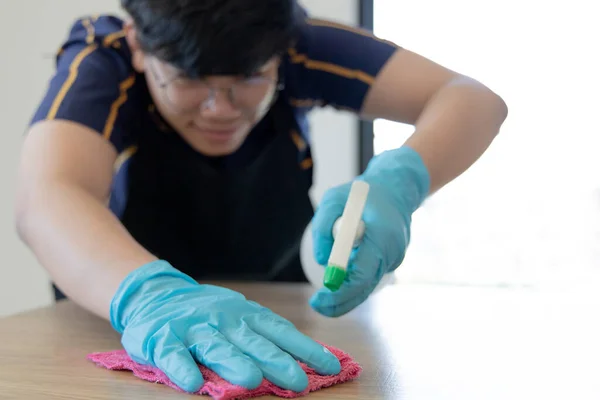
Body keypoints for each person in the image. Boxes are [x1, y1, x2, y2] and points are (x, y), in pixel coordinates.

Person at [15, 0, 508, 394]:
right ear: (140, 47)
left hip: (271, 318)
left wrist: (400, 181)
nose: (219, 110)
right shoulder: (106, 58)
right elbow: (49, 194)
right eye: (188, 80)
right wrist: (149, 297)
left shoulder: (295, 42)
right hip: (114, 322)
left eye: (250, 79)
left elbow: (472, 99)